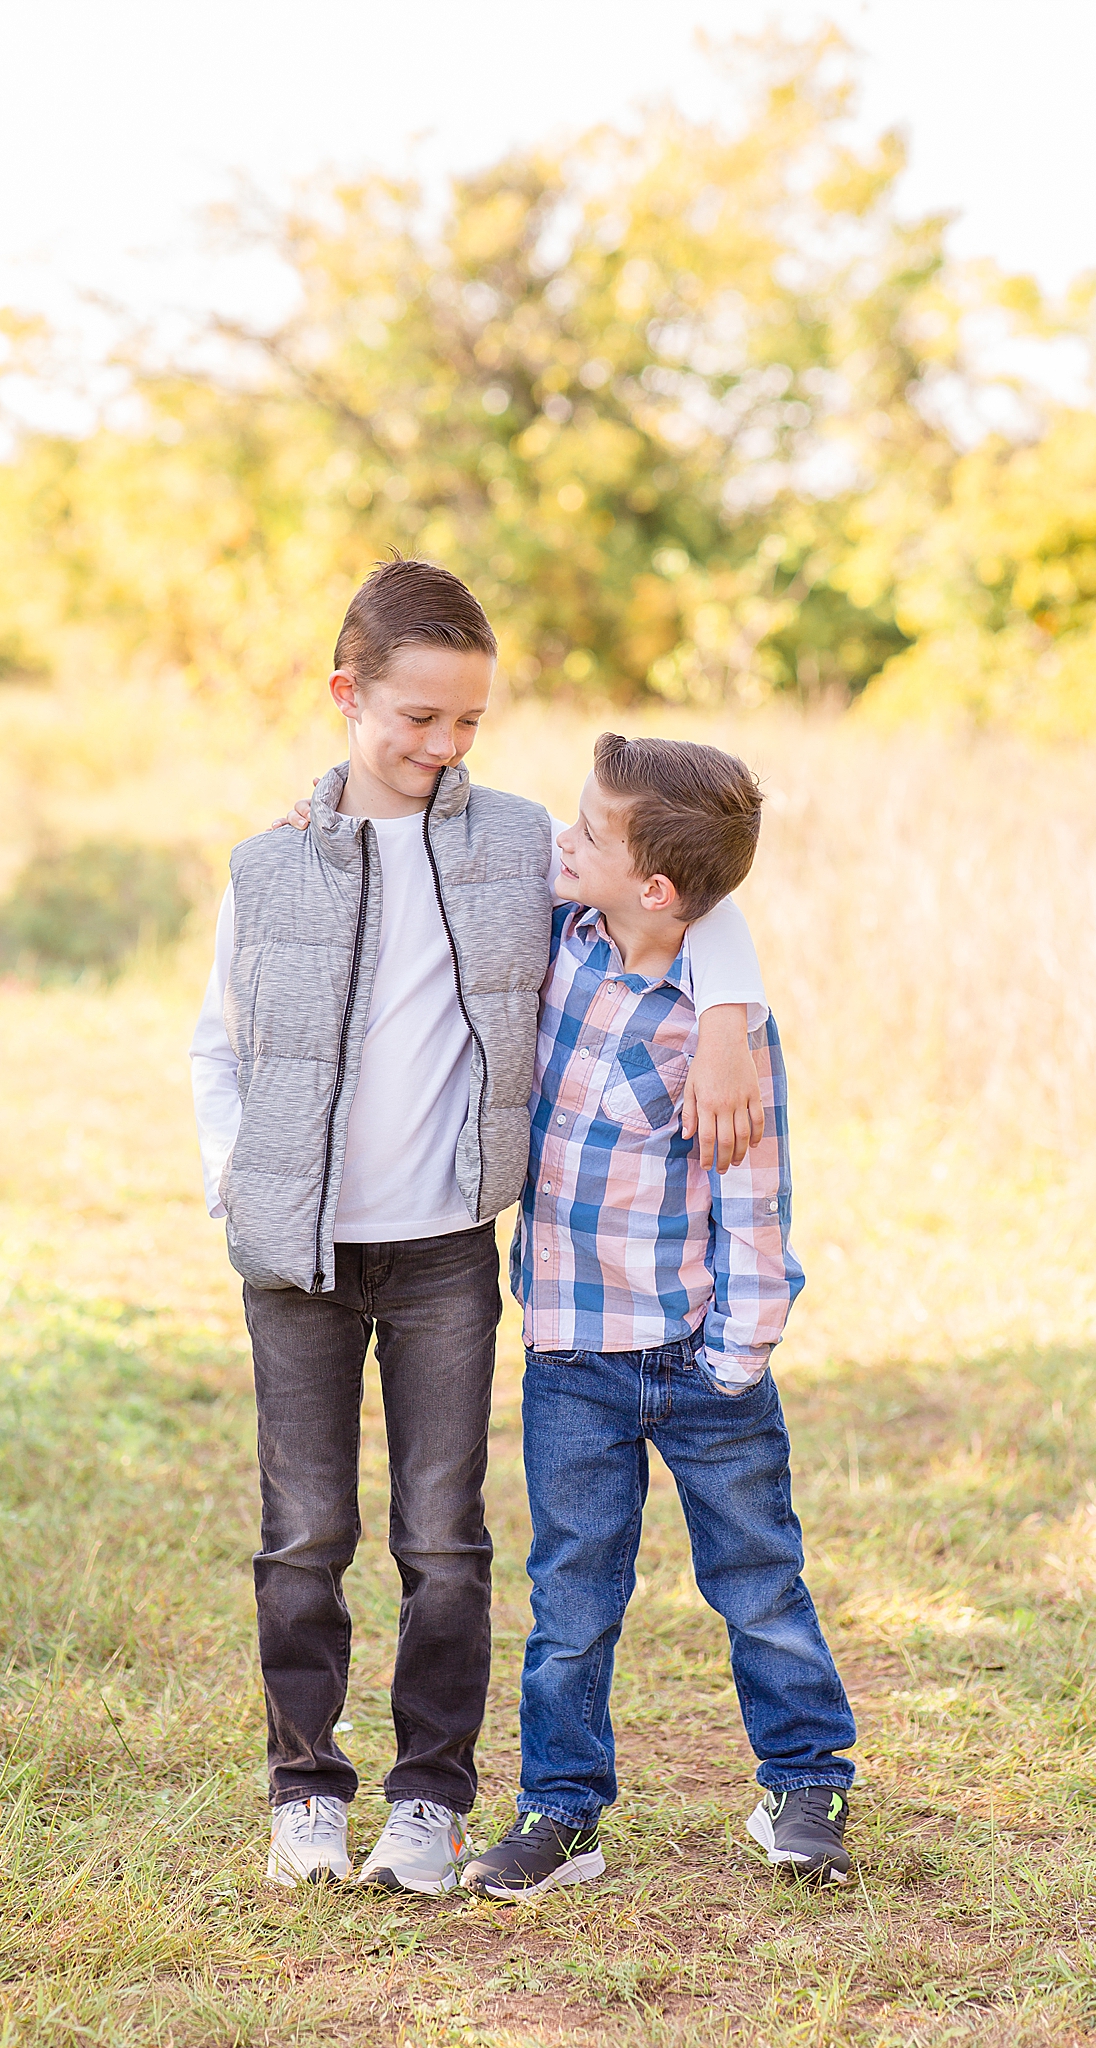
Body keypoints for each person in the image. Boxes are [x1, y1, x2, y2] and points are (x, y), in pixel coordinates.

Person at [189, 559, 769, 1895]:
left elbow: (682, 885)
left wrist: (730, 1012)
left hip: (447, 1248)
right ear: (348, 695)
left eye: (469, 720)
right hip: (298, 1257)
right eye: (420, 717)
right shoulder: (269, 864)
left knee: (443, 1539)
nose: (445, 744)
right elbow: (216, 1042)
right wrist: (237, 1179)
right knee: (304, 1536)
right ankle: (304, 1793)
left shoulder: (514, 844)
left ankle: (429, 1801)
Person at [460, 732, 856, 1901]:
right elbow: (472, 846)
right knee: (572, 1598)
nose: (564, 838)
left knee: (759, 1579)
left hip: (697, 1356)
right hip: (569, 1352)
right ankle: (560, 1811)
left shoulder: (720, 1034)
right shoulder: (565, 934)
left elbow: (756, 1200)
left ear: (660, 888)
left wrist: (737, 1355)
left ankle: (806, 1783)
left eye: (590, 829)